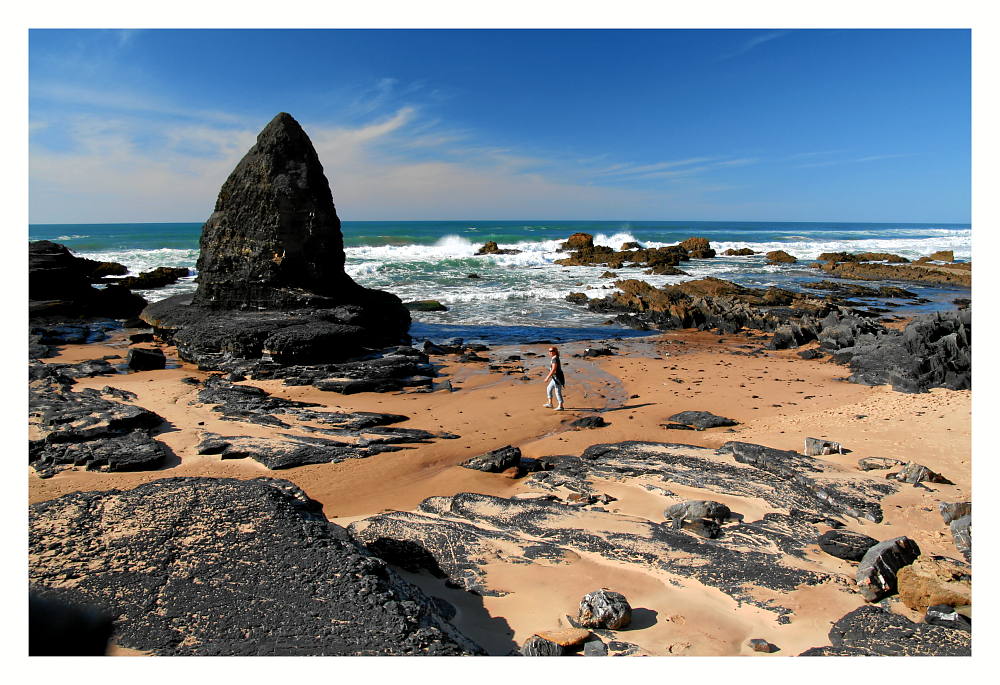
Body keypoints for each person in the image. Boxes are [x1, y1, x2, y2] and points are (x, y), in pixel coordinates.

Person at [543, 346, 565, 410]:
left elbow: (553, 369)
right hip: (555, 377)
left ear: (555, 351)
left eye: (552, 351)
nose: (550, 352)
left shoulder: (555, 359)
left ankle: (561, 406)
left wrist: (547, 377)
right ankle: (550, 403)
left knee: (557, 392)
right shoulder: (554, 357)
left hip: (557, 378)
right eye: (549, 351)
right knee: (549, 388)